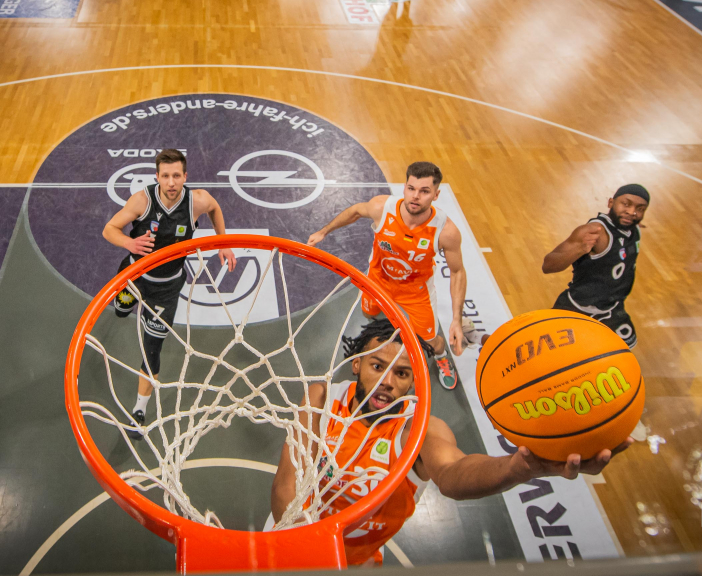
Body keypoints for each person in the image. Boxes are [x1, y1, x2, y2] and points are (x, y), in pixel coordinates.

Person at [270, 320, 630, 566]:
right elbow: (289, 481)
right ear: (356, 365)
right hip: (293, 536)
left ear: (415, 382)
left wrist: (520, 468)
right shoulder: (321, 398)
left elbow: (453, 472)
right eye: (378, 366)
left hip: (354, 559)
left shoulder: (418, 431)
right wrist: (306, 556)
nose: (387, 382)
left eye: (402, 373)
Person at [102, 149, 236, 436]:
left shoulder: (196, 200)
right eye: (166, 176)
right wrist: (129, 243)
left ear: (185, 176)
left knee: (152, 351)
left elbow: (215, 208)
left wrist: (222, 241)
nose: (172, 182)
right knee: (121, 310)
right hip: (134, 276)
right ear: (157, 177)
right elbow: (109, 229)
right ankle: (125, 303)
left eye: (177, 176)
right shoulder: (142, 200)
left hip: (167, 288)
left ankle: (139, 410)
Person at [307, 162, 468, 390]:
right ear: (404, 187)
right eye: (411, 188)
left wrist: (456, 320)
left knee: (430, 342)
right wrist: (323, 231)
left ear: (436, 194)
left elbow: (457, 271)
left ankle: (442, 358)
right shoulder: (382, 207)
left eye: (424, 191)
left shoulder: (446, 231)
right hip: (378, 281)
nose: (415, 196)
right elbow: (354, 212)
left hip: (416, 291)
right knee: (368, 313)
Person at [542, 184, 649, 349]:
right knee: (545, 356)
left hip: (612, 309)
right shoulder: (594, 232)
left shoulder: (633, 230)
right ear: (611, 203)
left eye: (639, 208)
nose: (632, 211)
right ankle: (499, 344)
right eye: (626, 204)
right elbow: (548, 265)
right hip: (577, 307)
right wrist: (579, 249)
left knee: (621, 354)